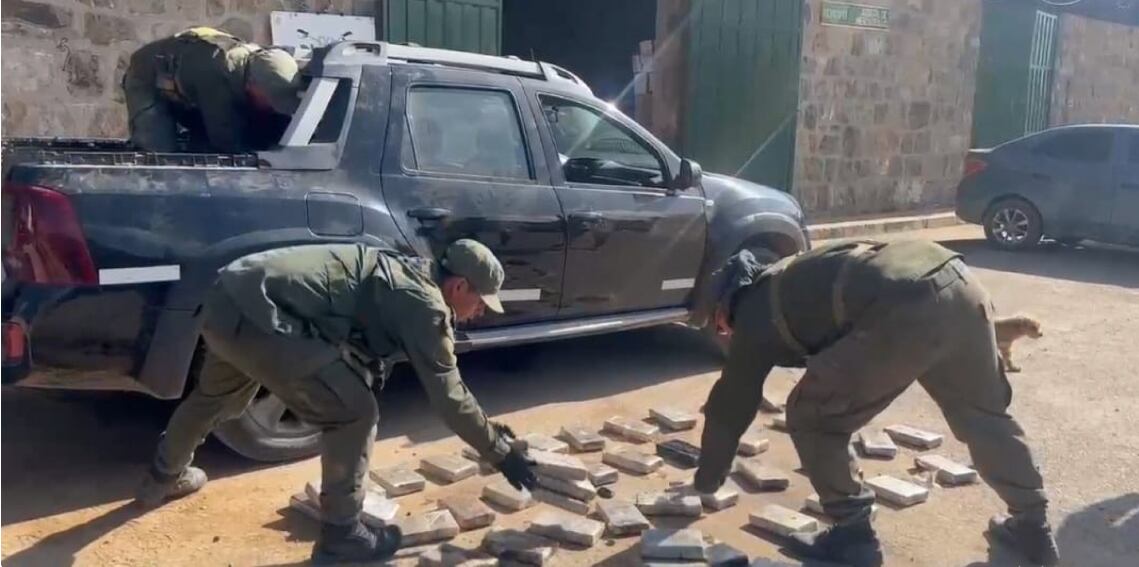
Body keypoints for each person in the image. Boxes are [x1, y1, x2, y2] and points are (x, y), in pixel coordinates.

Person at [135, 239, 538, 564]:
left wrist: (488, 429)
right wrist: (500, 453)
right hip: (265, 316)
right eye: (481, 300)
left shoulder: (406, 268)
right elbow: (449, 396)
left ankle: (163, 477)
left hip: (229, 297)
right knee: (354, 415)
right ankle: (343, 536)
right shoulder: (426, 304)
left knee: (217, 397)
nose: (480, 310)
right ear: (459, 287)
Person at [692, 239, 1059, 567]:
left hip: (904, 307)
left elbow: (731, 402)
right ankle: (1032, 525)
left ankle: (853, 536)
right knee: (984, 416)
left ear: (726, 306)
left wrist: (707, 479)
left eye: (720, 324)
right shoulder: (793, 272)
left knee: (813, 414)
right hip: (957, 281)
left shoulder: (755, 309)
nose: (722, 333)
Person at [123, 27, 301, 153]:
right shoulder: (220, 75)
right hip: (147, 78)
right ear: (253, 85)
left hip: (189, 86)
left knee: (202, 144)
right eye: (269, 100)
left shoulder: (259, 64)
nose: (271, 106)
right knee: (160, 153)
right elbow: (225, 138)